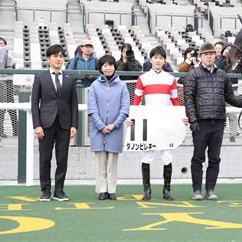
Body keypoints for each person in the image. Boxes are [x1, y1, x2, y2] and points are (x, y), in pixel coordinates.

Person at [183, 42, 242, 200]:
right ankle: (196, 190)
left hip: (218, 122)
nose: (209, 56)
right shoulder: (193, 74)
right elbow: (188, 100)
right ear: (201, 56)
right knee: (198, 157)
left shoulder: (223, 75)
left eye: (211, 54)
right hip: (201, 122)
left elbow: (230, 97)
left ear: (215, 56)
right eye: (206, 54)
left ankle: (210, 189)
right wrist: (193, 120)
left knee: (214, 158)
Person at [133, 46, 182, 201]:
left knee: (167, 155)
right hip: (148, 122)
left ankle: (166, 191)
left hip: (166, 123)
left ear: (165, 60)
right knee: (146, 155)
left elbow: (175, 101)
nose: (158, 60)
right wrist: (132, 118)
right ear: (150, 59)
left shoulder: (170, 79)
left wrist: (181, 117)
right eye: (155, 57)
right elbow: (136, 101)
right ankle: (146, 191)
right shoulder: (143, 78)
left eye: (161, 58)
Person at [31, 44, 78, 202]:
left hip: (64, 124)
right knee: (45, 158)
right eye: (55, 56)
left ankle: (59, 190)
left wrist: (74, 125)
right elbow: (34, 103)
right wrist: (36, 125)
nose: (59, 59)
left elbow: (74, 104)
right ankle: (45, 191)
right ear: (48, 59)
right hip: (45, 124)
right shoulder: (40, 78)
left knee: (62, 158)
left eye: (61, 56)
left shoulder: (69, 80)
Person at [88, 55, 130, 201]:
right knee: (100, 161)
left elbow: (125, 108)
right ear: (100, 68)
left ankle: (111, 189)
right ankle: (102, 189)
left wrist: (114, 125)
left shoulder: (122, 86)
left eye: (110, 65)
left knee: (112, 161)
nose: (108, 68)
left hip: (115, 129)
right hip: (98, 130)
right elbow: (92, 109)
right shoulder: (94, 86)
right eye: (105, 65)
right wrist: (101, 126)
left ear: (114, 67)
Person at [0, 37, 18, 137]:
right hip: (0, 84)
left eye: (3, 43)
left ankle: (16, 130)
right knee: (0, 109)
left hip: (9, 84)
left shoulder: (9, 55)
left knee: (12, 109)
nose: (1, 45)